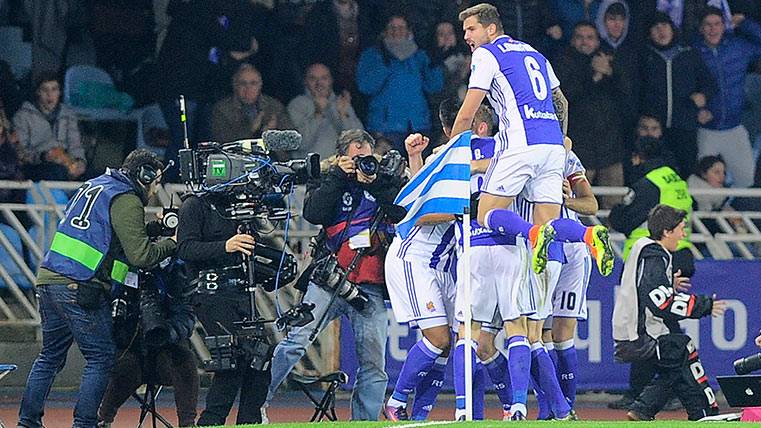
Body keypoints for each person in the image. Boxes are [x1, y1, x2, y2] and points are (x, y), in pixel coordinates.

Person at [17, 149, 177, 428]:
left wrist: (155, 228)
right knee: (101, 357)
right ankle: (85, 424)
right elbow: (141, 256)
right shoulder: (127, 199)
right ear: (144, 176)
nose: (155, 189)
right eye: (156, 181)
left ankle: (27, 422)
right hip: (79, 284)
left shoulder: (96, 185)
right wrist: (174, 242)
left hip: (49, 279)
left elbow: (105, 232)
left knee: (50, 356)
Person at [265, 129, 402, 421]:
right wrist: (339, 177)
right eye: (355, 158)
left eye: (366, 157)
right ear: (341, 157)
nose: (362, 163)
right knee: (295, 342)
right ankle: (257, 404)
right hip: (329, 278)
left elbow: (400, 211)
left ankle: (364, 424)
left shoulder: (384, 179)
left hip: (370, 286)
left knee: (374, 363)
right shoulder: (328, 177)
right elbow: (314, 214)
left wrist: (375, 182)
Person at [612, 204, 724, 421]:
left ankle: (643, 410)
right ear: (667, 231)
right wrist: (704, 305)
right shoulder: (655, 255)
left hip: (632, 329)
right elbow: (659, 301)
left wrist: (667, 283)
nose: (683, 235)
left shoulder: (642, 247)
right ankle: (704, 413)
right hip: (641, 333)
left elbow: (642, 284)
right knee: (683, 350)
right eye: (681, 229)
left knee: (677, 362)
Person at [176, 190, 268, 425]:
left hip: (240, 291)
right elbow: (185, 248)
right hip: (209, 293)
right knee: (232, 355)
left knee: (261, 355)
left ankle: (250, 421)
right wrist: (226, 246)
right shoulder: (194, 205)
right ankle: (210, 422)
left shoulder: (239, 206)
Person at [97, 261, 198, 428]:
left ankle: (187, 424)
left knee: (184, 358)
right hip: (126, 346)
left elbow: (186, 315)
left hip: (164, 347)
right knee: (127, 367)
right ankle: (102, 419)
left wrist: (167, 332)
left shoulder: (177, 270)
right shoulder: (118, 265)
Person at [553, 21, 626, 201]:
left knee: (614, 201)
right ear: (572, 40)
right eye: (580, 37)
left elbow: (627, 97)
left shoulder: (611, 60)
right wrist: (594, 76)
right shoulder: (563, 62)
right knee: (577, 202)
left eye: (590, 37)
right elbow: (565, 96)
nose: (585, 42)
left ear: (598, 41)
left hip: (610, 146)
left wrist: (609, 73)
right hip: (579, 148)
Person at [640, 12, 717, 178]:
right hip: (655, 130)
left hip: (684, 127)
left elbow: (710, 84)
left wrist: (703, 96)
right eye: (655, 27)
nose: (661, 31)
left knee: (686, 172)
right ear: (649, 33)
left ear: (672, 29)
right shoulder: (644, 56)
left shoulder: (689, 54)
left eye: (664, 26)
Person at [356, 14, 444, 152]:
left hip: (418, 125)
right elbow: (365, 87)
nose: (396, 31)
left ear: (409, 31)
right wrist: (384, 64)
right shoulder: (373, 54)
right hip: (385, 129)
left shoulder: (419, 55)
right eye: (392, 27)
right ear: (384, 30)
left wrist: (434, 62)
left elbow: (434, 86)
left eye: (401, 27)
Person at [694, 7, 761, 187]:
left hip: (735, 129)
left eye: (717, 24)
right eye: (708, 25)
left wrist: (745, 24)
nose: (713, 29)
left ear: (724, 26)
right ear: (700, 28)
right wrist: (697, 110)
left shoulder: (737, 47)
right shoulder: (692, 51)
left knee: (747, 182)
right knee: (704, 187)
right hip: (706, 131)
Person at [610, 136, 695, 276]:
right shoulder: (675, 179)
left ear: (638, 157)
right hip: (681, 252)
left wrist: (616, 211)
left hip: (650, 254)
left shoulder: (649, 184)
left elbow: (624, 221)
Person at [13, 71, 86, 181]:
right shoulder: (23, 116)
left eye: (54, 90)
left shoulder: (68, 115)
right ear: (38, 92)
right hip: (37, 166)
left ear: (59, 92)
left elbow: (75, 145)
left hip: (66, 163)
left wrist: (80, 162)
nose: (49, 95)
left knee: (98, 177)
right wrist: (43, 156)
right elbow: (20, 152)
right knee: (56, 172)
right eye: (45, 90)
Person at [288, 63, 364, 161]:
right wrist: (318, 114)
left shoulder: (341, 103)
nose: (319, 83)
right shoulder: (297, 105)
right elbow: (299, 144)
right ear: (305, 81)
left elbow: (359, 142)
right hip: (309, 167)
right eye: (313, 78)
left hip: (339, 167)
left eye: (324, 78)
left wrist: (343, 115)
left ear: (331, 80)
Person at [211, 64, 293, 147]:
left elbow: (292, 141)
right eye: (243, 83)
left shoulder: (273, 106)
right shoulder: (222, 110)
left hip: (271, 154)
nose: (248, 88)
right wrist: (251, 129)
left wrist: (272, 134)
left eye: (253, 83)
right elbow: (223, 144)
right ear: (235, 85)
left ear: (260, 85)